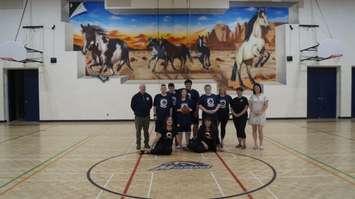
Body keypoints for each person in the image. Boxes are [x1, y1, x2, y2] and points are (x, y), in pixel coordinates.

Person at [130, 84, 153, 150]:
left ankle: (146, 144)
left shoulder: (148, 96)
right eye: (142, 87)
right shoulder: (135, 96)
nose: (143, 88)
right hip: (138, 117)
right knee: (138, 131)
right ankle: (138, 145)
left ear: (145, 88)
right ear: (139, 88)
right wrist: (137, 112)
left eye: (144, 87)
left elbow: (150, 105)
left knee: (146, 131)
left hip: (146, 117)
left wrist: (146, 110)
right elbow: (132, 106)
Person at [249, 83, 269, 150]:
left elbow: (266, 105)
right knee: (254, 130)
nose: (256, 89)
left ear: (260, 88)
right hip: (253, 114)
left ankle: (261, 144)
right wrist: (253, 112)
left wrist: (261, 112)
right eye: (255, 88)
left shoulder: (264, 96)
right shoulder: (252, 96)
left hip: (261, 115)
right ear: (254, 89)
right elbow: (250, 105)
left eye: (258, 87)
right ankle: (255, 144)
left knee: (260, 130)